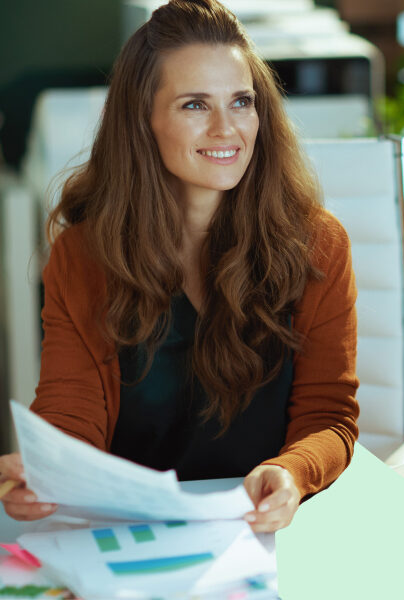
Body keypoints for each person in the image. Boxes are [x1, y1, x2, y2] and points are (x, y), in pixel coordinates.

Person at [0, 0, 359, 532]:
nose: (226, 129)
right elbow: (70, 417)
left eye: (241, 101)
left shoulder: (318, 244)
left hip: (268, 531)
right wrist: (46, 473)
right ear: (143, 121)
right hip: (132, 531)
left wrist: (292, 472)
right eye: (195, 105)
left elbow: (330, 415)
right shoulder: (85, 256)